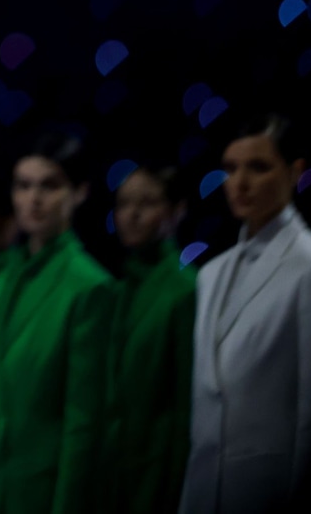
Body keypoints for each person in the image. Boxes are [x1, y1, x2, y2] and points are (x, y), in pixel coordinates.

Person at [178, 111, 311, 514]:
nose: (240, 182)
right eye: (230, 168)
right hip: (203, 488)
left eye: (258, 167)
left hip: (268, 492)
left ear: (294, 173)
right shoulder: (212, 273)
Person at [0, 129, 116, 514]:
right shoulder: (0, 278)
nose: (34, 198)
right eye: (24, 185)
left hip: (39, 490)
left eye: (49, 185)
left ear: (79, 192)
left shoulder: (90, 286)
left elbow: (83, 421)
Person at [100, 163, 197, 514]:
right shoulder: (118, 288)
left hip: (155, 474)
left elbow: (186, 405)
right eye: (124, 203)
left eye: (147, 203)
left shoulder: (185, 290)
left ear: (177, 210)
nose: (132, 214)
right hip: (112, 469)